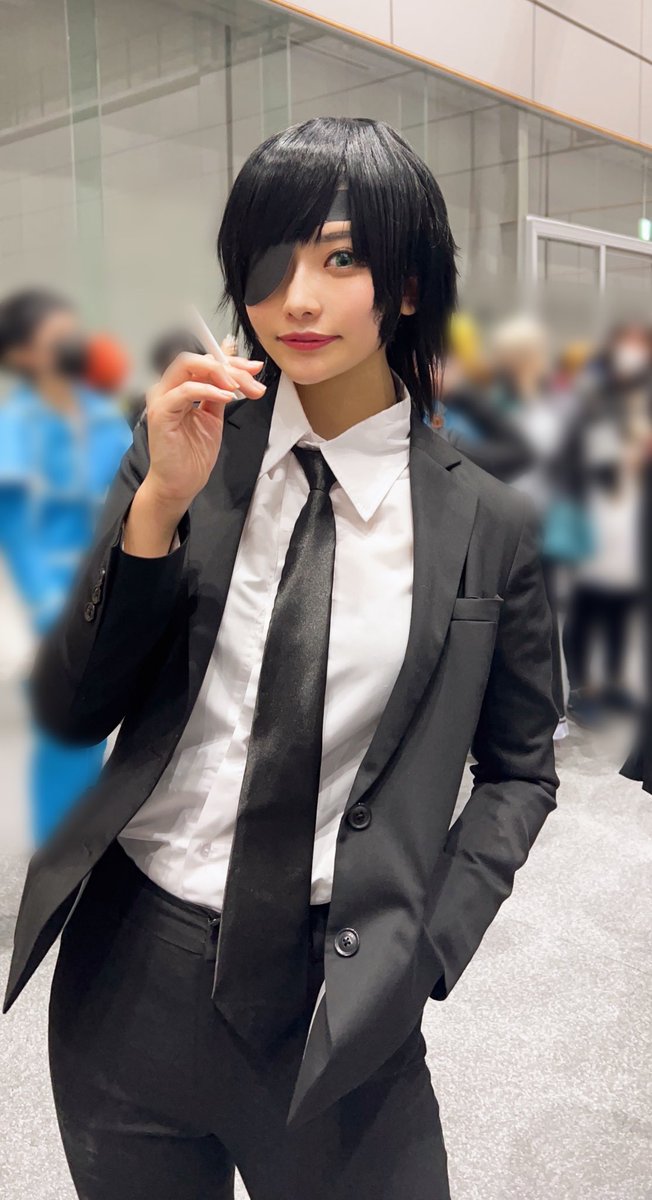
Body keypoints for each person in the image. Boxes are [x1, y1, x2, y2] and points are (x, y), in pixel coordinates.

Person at [4, 117, 559, 1199]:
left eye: (340, 259)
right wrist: (157, 507)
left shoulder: (485, 526)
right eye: (271, 259)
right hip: (128, 980)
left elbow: (520, 771)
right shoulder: (184, 453)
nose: (297, 297)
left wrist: (426, 947)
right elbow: (74, 710)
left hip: (338, 999)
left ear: (407, 285)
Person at [0, 287, 133, 844]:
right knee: (65, 733)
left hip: (115, 585)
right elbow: (14, 532)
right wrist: (45, 609)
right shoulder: (15, 426)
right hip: (53, 601)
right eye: (55, 338)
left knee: (114, 728)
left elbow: (134, 494)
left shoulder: (103, 419)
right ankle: (59, 851)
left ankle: (96, 846)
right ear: (21, 355)